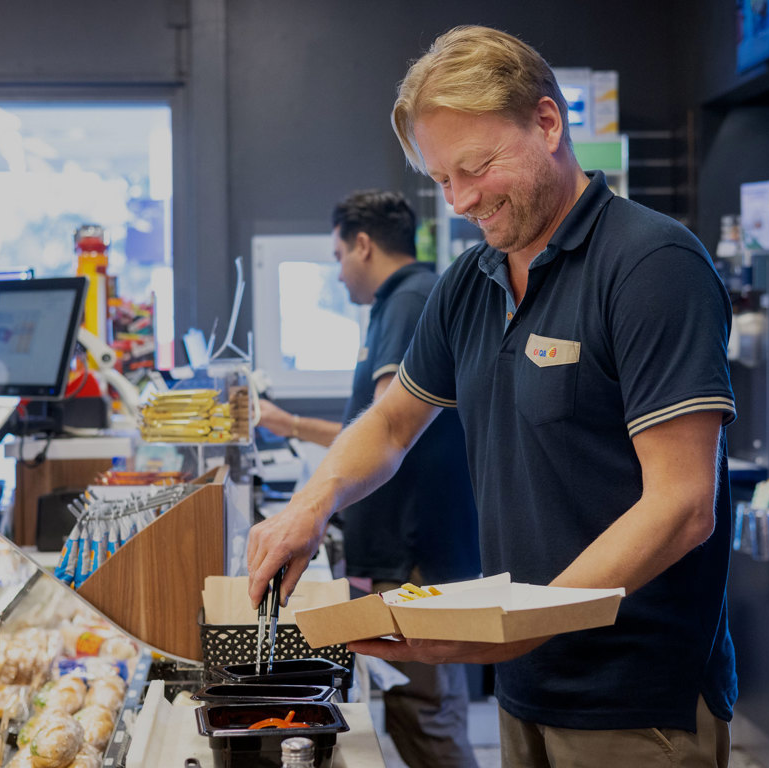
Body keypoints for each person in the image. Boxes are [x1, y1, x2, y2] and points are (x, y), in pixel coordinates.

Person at [248, 25, 737, 768]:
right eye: (442, 179)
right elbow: (389, 423)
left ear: (547, 123)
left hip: (637, 704)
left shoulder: (651, 264)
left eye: (477, 166)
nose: (463, 199)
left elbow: (682, 505)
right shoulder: (470, 283)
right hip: (526, 684)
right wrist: (308, 509)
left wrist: (514, 626)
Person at [258, 190, 481, 768]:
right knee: (417, 717)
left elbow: (386, 429)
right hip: (408, 546)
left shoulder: (408, 301)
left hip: (414, 550)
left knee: (428, 719)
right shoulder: (402, 301)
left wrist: (290, 431)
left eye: (337, 256)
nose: (337, 273)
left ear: (362, 244)